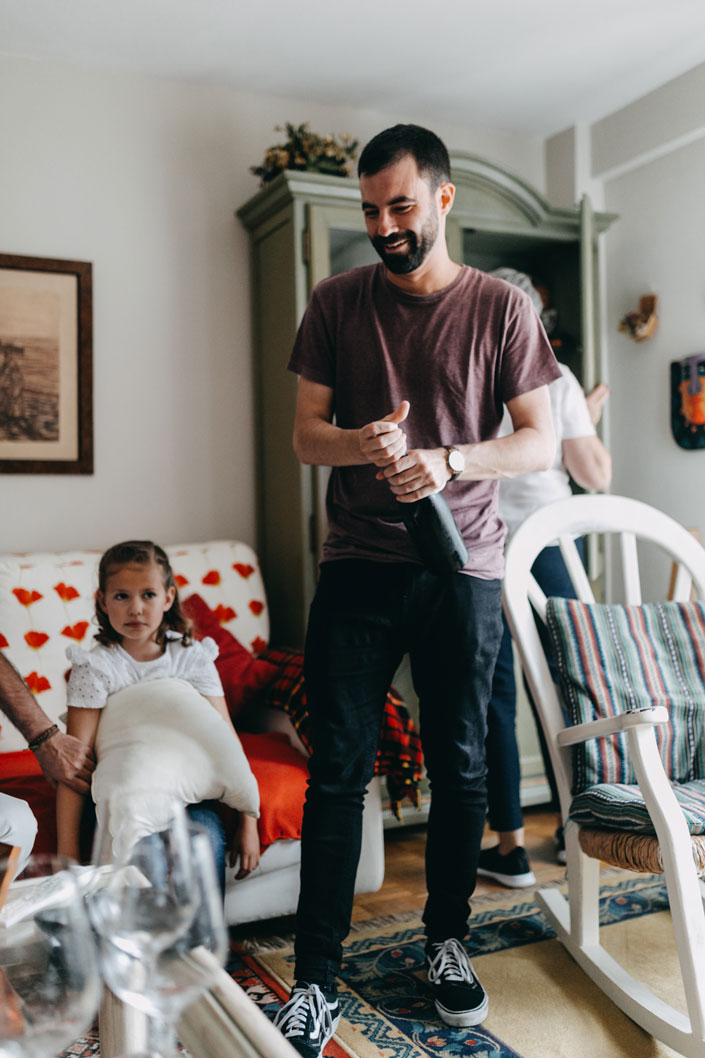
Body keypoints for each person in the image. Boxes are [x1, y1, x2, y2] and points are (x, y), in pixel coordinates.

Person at [271, 123, 561, 1057]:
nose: (384, 225)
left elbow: (540, 441)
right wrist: (367, 442)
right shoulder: (334, 300)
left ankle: (446, 941)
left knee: (464, 765)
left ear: (442, 199)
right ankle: (315, 979)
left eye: (400, 206)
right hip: (356, 565)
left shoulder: (500, 311)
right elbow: (305, 434)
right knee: (336, 774)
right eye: (370, 211)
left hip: (463, 567)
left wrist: (444, 459)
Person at [479, 352, 611, 888]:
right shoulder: (555, 375)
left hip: (484, 541)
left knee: (495, 692)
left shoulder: (471, 365)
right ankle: (571, 829)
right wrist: (583, 419)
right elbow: (595, 474)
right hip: (550, 542)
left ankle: (510, 846)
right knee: (565, 690)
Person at [55, 540, 260, 886]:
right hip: (125, 803)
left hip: (191, 800)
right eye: (121, 596)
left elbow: (224, 739)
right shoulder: (95, 667)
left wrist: (249, 822)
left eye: (148, 595)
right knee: (144, 854)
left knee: (203, 842)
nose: (135, 608)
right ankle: (145, 936)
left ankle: (203, 941)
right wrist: (68, 851)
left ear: (168, 598)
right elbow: (75, 763)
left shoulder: (192, 657)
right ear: (102, 601)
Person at [0, 651, 94, 875]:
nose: (136, 613)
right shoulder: (93, 669)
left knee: (17, 821)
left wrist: (45, 740)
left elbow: (73, 761)